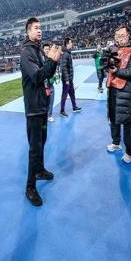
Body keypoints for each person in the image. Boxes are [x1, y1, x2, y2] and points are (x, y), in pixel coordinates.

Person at [21, 18, 61, 206]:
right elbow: (37, 76)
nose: (40, 31)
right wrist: (51, 61)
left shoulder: (37, 50)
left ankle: (39, 170)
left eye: (40, 28)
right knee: (34, 147)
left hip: (42, 105)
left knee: (42, 141)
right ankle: (30, 187)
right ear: (28, 31)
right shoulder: (27, 52)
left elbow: (47, 74)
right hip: (34, 108)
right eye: (36, 28)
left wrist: (53, 62)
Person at [105, 26, 131, 163]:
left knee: (127, 123)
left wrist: (116, 71)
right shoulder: (112, 50)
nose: (120, 38)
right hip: (112, 89)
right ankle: (116, 142)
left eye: (122, 35)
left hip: (125, 91)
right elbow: (105, 66)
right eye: (117, 36)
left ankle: (130, 152)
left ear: (128, 36)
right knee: (113, 118)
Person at [60, 37, 82, 117]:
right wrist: (66, 79)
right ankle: (62, 110)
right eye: (71, 42)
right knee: (65, 94)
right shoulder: (65, 54)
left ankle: (74, 107)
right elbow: (63, 67)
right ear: (67, 44)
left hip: (70, 78)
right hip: (67, 79)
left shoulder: (68, 53)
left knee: (72, 93)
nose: (72, 44)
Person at [42, 43, 58, 122]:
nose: (47, 51)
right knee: (44, 102)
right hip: (44, 86)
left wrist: (54, 76)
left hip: (51, 84)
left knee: (51, 101)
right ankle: (44, 116)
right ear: (43, 50)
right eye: (45, 49)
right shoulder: (41, 60)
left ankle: (49, 115)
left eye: (48, 49)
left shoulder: (51, 59)